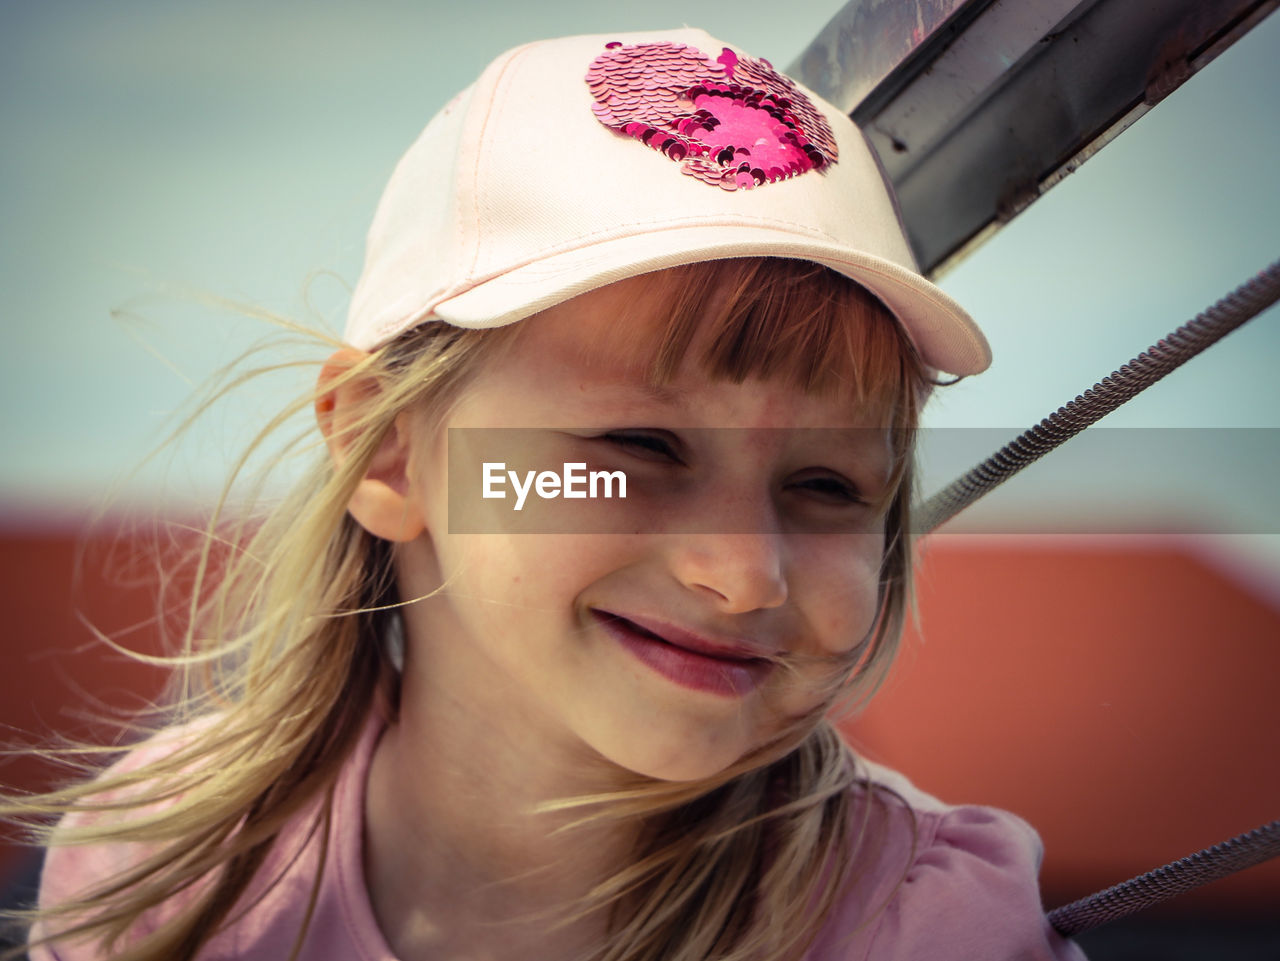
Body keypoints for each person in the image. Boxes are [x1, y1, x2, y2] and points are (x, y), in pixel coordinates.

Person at [10, 27, 1086, 961]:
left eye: (824, 482)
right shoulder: (163, 865)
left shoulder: (926, 928)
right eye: (638, 444)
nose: (742, 570)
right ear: (388, 453)